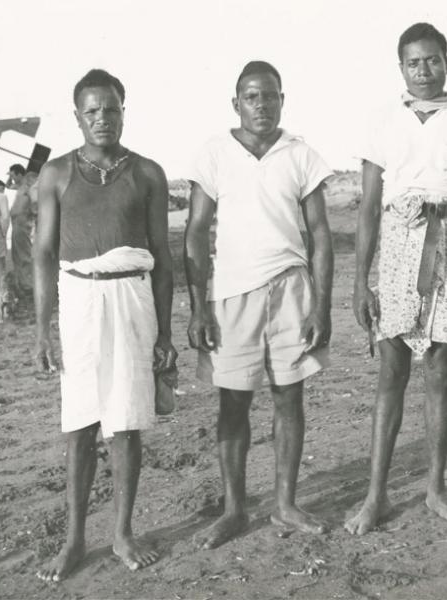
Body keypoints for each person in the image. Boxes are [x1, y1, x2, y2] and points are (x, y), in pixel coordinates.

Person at [346, 23, 447, 536]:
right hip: (397, 239)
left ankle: (435, 488)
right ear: (402, 68)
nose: (424, 71)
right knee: (391, 367)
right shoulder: (383, 120)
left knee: (439, 367)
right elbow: (368, 207)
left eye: (433, 61)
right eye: (414, 63)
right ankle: (375, 496)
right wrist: (358, 281)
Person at [185, 60, 334, 549]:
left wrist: (322, 308)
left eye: (270, 96)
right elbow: (195, 233)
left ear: (282, 100)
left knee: (290, 397)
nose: (262, 105)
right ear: (236, 104)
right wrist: (198, 307)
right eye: (252, 97)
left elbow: (321, 237)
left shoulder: (300, 154)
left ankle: (286, 505)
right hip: (231, 294)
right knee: (234, 402)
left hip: (291, 290)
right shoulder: (213, 153)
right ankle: (233, 510)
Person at [34, 68, 176, 581]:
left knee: (127, 422)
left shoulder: (148, 173)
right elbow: (45, 254)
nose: (102, 118)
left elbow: (162, 256)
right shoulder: (55, 174)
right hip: (78, 300)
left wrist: (165, 332)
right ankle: (74, 540)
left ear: (123, 109)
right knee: (79, 423)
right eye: (91, 111)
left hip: (133, 295)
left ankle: (121, 531)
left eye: (110, 108)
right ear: (77, 116)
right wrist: (42, 330)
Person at [10, 171, 39, 293]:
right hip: (21, 223)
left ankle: (23, 284)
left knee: (20, 255)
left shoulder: (25, 189)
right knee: (22, 254)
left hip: (18, 223)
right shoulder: (29, 189)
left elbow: (33, 203)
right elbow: (35, 205)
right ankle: (25, 284)